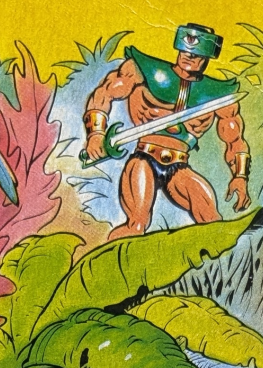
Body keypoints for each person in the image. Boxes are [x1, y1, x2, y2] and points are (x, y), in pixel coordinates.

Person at [81, 24, 251, 238]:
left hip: (179, 167)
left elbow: (235, 140)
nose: (189, 56)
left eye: (196, 54)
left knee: (212, 221)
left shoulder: (218, 95)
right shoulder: (143, 70)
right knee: (137, 225)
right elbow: (104, 93)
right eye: (185, 50)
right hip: (144, 159)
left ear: (208, 55)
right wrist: (96, 134)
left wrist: (240, 176)